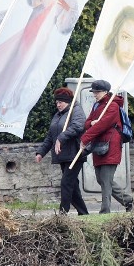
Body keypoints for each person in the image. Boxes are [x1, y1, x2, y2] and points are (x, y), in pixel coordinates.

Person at [80, 80, 133, 214]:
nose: (95, 95)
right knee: (102, 179)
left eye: (97, 92)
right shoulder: (96, 106)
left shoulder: (113, 106)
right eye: (94, 92)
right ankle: (128, 201)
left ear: (105, 92)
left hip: (110, 147)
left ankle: (105, 210)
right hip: (99, 147)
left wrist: (85, 139)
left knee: (105, 180)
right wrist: (92, 122)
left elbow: (102, 125)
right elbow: (87, 124)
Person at [36, 87, 88, 215]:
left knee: (66, 183)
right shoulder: (58, 115)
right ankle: (84, 213)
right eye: (57, 102)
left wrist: (61, 137)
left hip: (75, 154)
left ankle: (62, 214)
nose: (58, 105)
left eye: (61, 102)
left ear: (68, 101)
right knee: (72, 186)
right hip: (63, 156)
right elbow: (50, 136)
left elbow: (78, 126)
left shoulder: (77, 111)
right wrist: (41, 152)